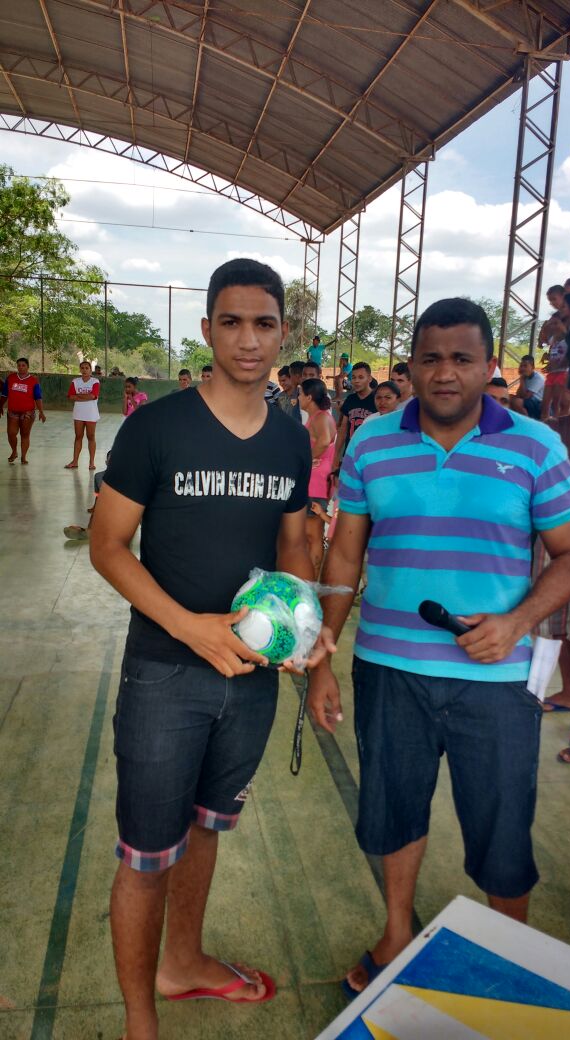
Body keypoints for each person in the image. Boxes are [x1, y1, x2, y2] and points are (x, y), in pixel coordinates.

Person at [307, 296, 570, 999]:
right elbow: (344, 553)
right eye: (429, 358)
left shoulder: (533, 445)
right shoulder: (371, 441)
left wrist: (516, 621)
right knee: (393, 809)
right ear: (409, 366)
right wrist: (325, 649)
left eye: (462, 358)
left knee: (500, 822)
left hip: (496, 680)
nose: (444, 373)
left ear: (490, 366)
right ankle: (396, 931)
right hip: (388, 669)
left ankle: (507, 953)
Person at [90, 257, 334, 1040]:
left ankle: (183, 963)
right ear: (206, 330)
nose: (248, 339)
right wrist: (187, 624)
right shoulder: (155, 427)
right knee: (145, 851)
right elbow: (107, 546)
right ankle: (139, 1019)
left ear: (283, 333)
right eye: (230, 322)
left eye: (264, 323)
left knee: (204, 827)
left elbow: (294, 541)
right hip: (165, 675)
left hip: (251, 681)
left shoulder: (291, 441)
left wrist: (304, 627)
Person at [533, 368, 570, 739]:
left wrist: (567, 476)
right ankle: (568, 691)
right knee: (558, 623)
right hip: (558, 537)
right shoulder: (554, 431)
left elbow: (558, 478)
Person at [299, 378, 337, 577]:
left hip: (316, 482)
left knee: (313, 534)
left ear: (309, 396)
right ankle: (310, 577)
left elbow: (323, 442)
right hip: (314, 481)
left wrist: (307, 460)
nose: (298, 398)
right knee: (309, 534)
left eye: (300, 394)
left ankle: (312, 580)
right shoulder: (316, 417)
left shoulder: (321, 417)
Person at [331, 362, 377, 475]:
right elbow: (343, 430)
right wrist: (336, 455)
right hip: (350, 453)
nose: (356, 381)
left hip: (371, 456)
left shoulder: (377, 399)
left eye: (361, 377)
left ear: (369, 378)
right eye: (354, 377)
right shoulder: (350, 399)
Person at [0, 357, 46, 464]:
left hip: (28, 413)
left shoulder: (33, 381)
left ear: (27, 367)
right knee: (11, 433)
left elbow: (38, 397)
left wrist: (41, 412)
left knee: (25, 434)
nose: (21, 367)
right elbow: (4, 394)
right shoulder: (11, 378)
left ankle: (23, 457)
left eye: (23, 365)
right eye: (19, 365)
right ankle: (14, 451)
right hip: (13, 412)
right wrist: (0, 405)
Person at [64, 450, 111, 541]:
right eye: (111, 460)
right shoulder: (98, 477)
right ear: (106, 462)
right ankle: (89, 531)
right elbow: (98, 497)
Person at [65, 360, 101, 470]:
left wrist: (78, 395)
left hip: (91, 413)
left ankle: (91, 462)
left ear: (90, 370)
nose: (84, 370)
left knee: (91, 436)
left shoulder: (95, 381)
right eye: (82, 368)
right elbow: (70, 396)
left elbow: (93, 396)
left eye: (87, 368)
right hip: (78, 413)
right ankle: (75, 461)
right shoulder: (75, 381)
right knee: (78, 436)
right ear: (80, 370)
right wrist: (86, 396)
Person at [540, 312, 568, 419]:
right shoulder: (553, 340)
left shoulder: (568, 339)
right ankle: (545, 425)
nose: (553, 326)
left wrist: (556, 364)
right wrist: (547, 358)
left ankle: (559, 428)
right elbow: (553, 351)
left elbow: (569, 357)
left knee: (557, 403)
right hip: (553, 373)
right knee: (545, 404)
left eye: (556, 323)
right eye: (552, 324)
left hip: (562, 372)